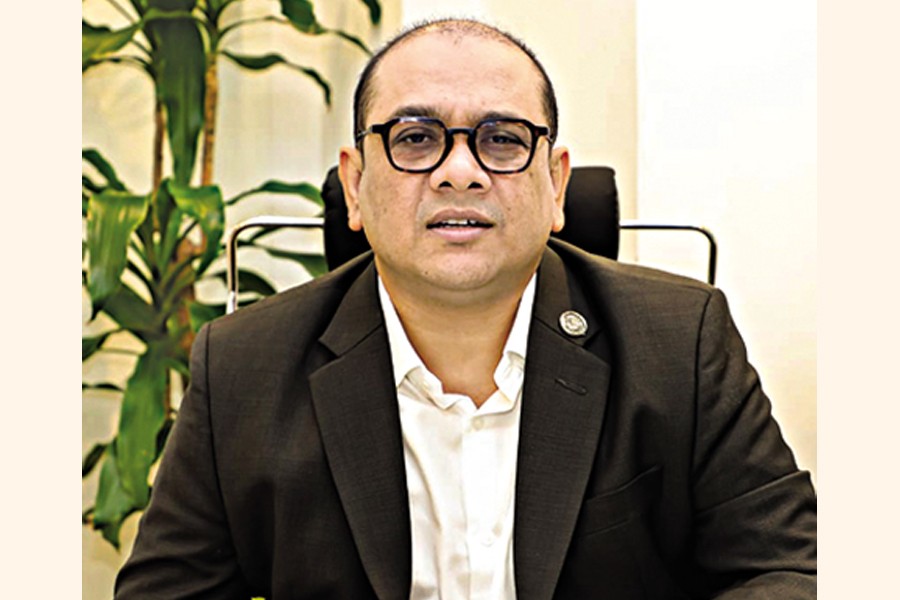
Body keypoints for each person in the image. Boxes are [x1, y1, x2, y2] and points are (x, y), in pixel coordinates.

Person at [115, 18, 817, 599]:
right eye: (415, 138)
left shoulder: (680, 342)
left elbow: (788, 569)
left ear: (556, 185)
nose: (459, 171)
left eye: (502, 139)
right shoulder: (242, 367)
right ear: (354, 186)